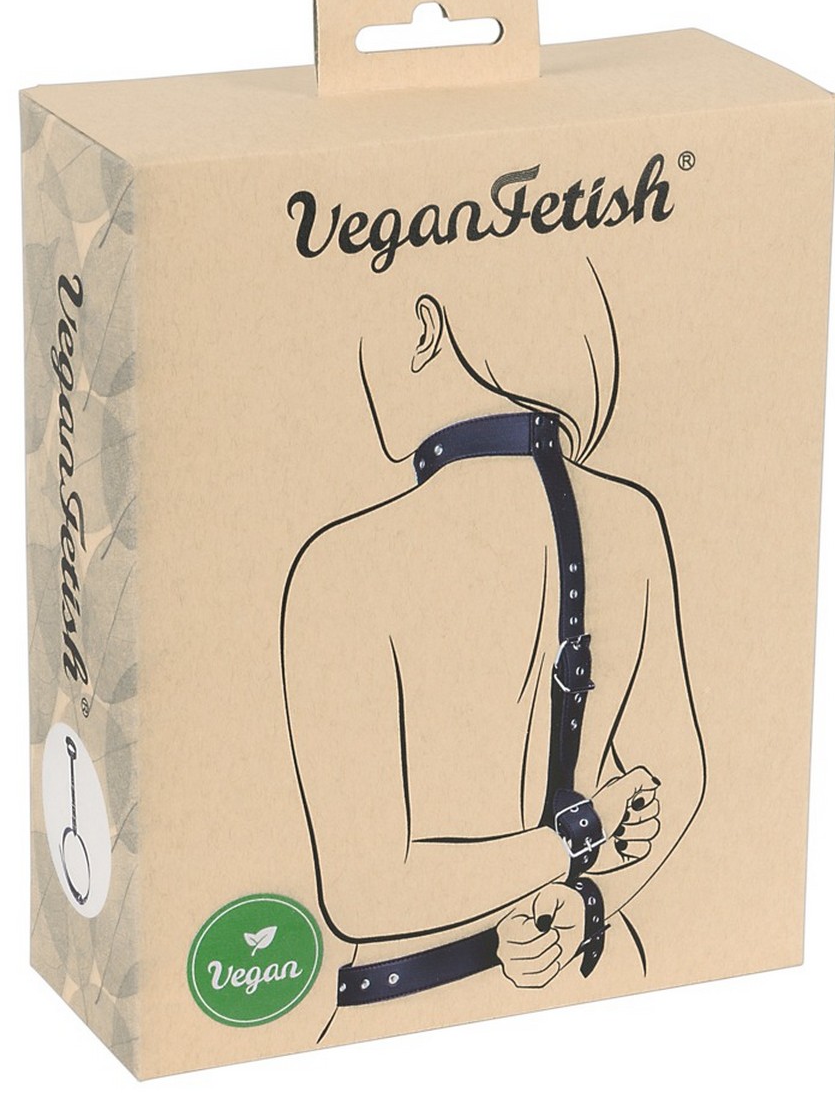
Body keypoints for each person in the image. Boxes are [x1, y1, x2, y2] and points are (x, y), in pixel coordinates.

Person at [281, 269, 705, 1043]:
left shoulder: (340, 568)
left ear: (424, 329)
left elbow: (364, 890)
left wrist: (567, 841)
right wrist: (587, 902)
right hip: (610, 993)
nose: (359, 365)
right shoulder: (635, 520)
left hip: (405, 1017)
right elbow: (677, 777)